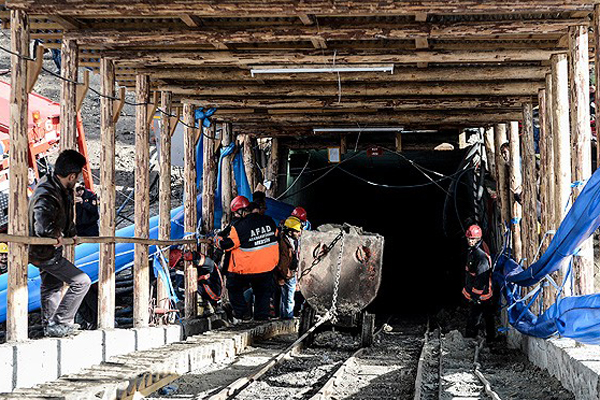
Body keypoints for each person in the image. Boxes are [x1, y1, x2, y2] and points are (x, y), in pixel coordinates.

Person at [28, 149, 91, 337]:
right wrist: (56, 235)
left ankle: (51, 327)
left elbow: (64, 217)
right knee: (81, 281)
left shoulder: (57, 186)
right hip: (42, 251)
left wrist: (71, 233)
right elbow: (42, 225)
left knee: (51, 286)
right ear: (71, 175)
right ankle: (60, 321)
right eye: (77, 176)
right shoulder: (47, 193)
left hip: (46, 250)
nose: (77, 180)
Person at [216, 195, 279, 321]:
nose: (235, 216)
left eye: (236, 214)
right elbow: (275, 237)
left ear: (242, 211)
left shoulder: (239, 227)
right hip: (267, 267)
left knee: (233, 286)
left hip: (246, 268)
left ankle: (242, 313)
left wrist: (217, 239)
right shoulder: (269, 221)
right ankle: (261, 319)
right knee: (263, 293)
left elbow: (227, 245)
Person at [462, 224, 496, 341]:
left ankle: (470, 338)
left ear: (478, 239)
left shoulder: (480, 256)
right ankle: (491, 337)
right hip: (480, 291)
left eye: (473, 239)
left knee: (475, 316)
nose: (470, 241)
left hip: (481, 293)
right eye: (469, 239)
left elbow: (482, 278)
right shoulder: (474, 250)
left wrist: (475, 296)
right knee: (487, 315)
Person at [274, 217, 302, 319]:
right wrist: (286, 274)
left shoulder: (293, 241)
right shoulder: (283, 243)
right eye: (297, 231)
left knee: (285, 298)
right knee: (288, 298)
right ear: (290, 231)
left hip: (290, 273)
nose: (299, 233)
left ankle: (284, 318)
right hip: (286, 273)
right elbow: (283, 261)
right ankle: (288, 319)